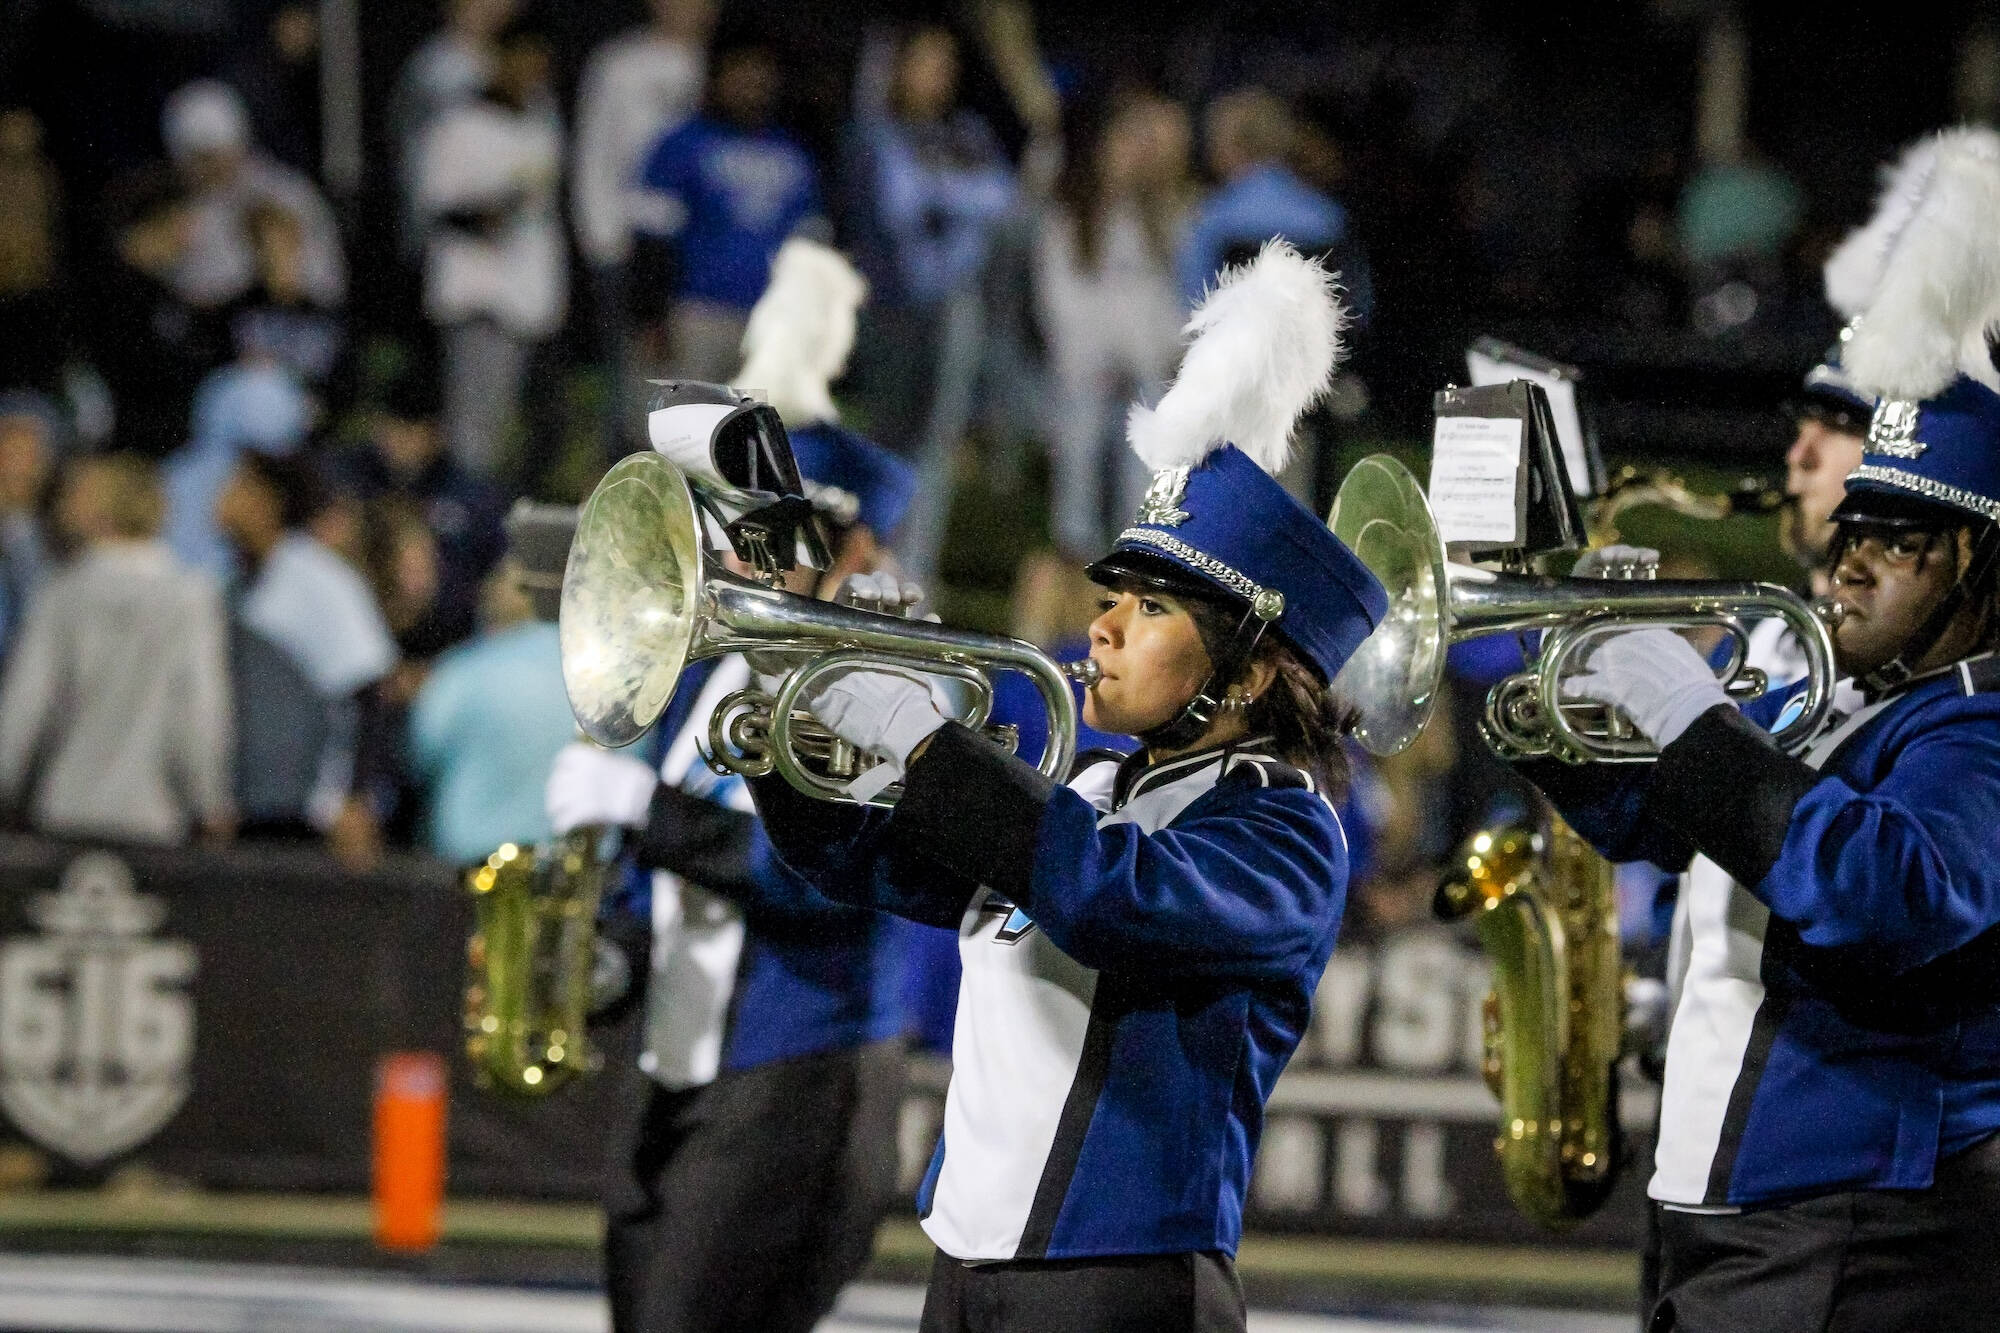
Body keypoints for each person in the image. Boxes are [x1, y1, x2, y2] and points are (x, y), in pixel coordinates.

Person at [745, 243, 1385, 1332]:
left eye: (1149, 610)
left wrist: (929, 743)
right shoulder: (1086, 781)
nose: (1101, 626)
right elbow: (862, 859)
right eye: (1113, 597)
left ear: (1249, 667)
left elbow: (1107, 896)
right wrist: (785, 710)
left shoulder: (1285, 827)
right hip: (968, 1259)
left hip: (1116, 1283)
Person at [1524, 128, 2000, 1331]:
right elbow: (1658, 818)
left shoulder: (1974, 730)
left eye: (1894, 544)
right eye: (1851, 534)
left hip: (1855, 1221)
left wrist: (1689, 716)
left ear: (1978, 567)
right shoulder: (1839, 696)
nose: (1846, 569)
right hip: (1731, 1205)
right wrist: (1556, 700)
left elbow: (1889, 890)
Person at [544, 377, 919, 1333]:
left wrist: (651, 813)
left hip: (796, 1068)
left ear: (855, 548)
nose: (728, 561)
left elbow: (836, 879)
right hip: (677, 1064)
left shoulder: (885, 682)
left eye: (764, 538)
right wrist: (607, 949)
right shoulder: (704, 676)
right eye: (724, 531)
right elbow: (662, 872)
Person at [0, 454, 233, 845]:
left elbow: (26, 707)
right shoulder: (190, 597)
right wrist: (208, 800)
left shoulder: (60, 593)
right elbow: (198, 707)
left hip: (63, 808)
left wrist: (5, 787)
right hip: (154, 814)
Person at [1035, 92, 1195, 560]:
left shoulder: (1161, 221)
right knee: (1081, 434)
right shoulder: (1072, 218)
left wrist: (1151, 353)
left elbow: (1170, 303)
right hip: (1085, 372)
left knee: (1143, 444)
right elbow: (1060, 301)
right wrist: (1100, 357)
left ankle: (1137, 547)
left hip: (1146, 372)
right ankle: (1075, 552)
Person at [217, 449, 396, 864]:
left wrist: (354, 798)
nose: (223, 496)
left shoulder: (318, 580)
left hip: (310, 817)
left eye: (240, 484)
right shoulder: (235, 583)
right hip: (251, 805)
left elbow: (368, 690)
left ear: (271, 501)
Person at [415, 15, 566, 481]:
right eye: (522, 59)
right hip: (476, 294)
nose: (531, 72)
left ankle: (492, 522)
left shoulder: (543, 123)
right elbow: (435, 206)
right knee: (474, 436)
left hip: (529, 296)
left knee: (520, 435)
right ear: (498, 59)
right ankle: (466, 523)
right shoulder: (458, 121)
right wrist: (489, 211)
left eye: (540, 63)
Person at [626, 32, 822, 389]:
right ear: (717, 77)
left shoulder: (794, 155)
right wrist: (650, 318)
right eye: (740, 73)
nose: (752, 85)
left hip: (768, 322)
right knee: (680, 435)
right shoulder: (682, 144)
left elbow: (808, 248)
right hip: (696, 315)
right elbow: (652, 241)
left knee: (750, 440)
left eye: (761, 75)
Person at [571, 0, 714, 452]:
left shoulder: (720, 67)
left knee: (698, 393)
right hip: (631, 250)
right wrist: (602, 241)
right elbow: (593, 154)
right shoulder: (619, 64)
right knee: (635, 388)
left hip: (700, 259)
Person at [408, 561, 573, 864]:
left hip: (475, 869)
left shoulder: (461, 673)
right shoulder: (598, 677)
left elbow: (418, 756)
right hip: (575, 870)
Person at [159, 79, 345, 312]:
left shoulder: (288, 194)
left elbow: (324, 284)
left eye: (210, 156)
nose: (205, 169)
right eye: (194, 160)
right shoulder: (183, 209)